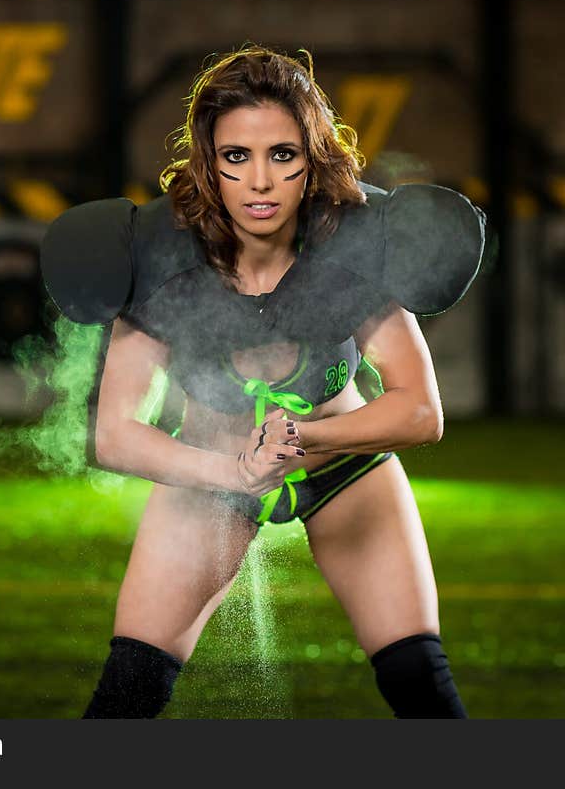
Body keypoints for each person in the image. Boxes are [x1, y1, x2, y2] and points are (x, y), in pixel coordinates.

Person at [40, 45, 485, 719]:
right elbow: (116, 435)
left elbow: (421, 411)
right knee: (127, 694)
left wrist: (307, 435)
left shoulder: (353, 244)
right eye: (236, 157)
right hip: (210, 475)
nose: (260, 182)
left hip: (342, 467)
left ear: (311, 158)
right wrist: (232, 472)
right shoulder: (161, 257)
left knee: (421, 685)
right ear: (208, 163)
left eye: (282, 155)